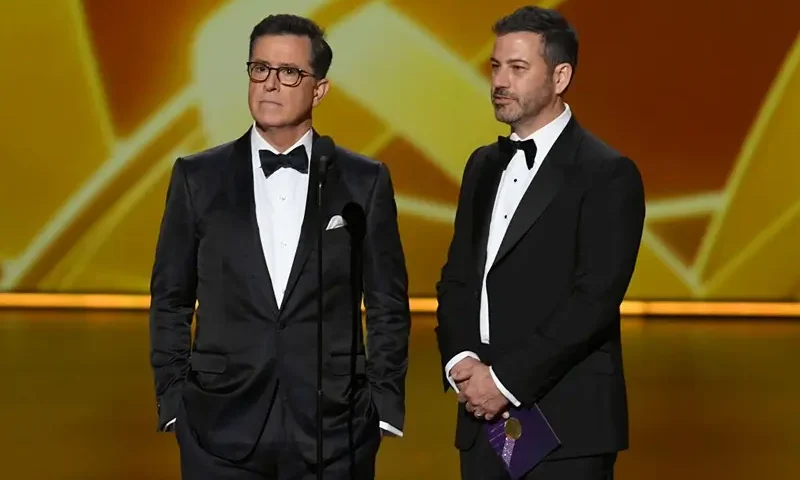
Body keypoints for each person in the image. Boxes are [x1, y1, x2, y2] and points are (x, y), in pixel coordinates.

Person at [148, 14, 410, 480]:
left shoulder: (363, 181)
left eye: (289, 72)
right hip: (218, 427)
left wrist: (383, 406)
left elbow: (388, 302)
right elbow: (170, 297)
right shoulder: (196, 177)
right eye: (259, 69)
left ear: (319, 89)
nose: (271, 84)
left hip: (335, 430)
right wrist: (173, 400)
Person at [435, 6, 645, 480]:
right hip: (481, 417)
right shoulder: (482, 165)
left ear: (560, 76)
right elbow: (458, 277)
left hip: (565, 424)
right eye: (495, 66)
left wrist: (504, 382)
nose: (500, 81)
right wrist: (462, 362)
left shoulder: (607, 174)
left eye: (517, 68)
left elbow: (592, 302)